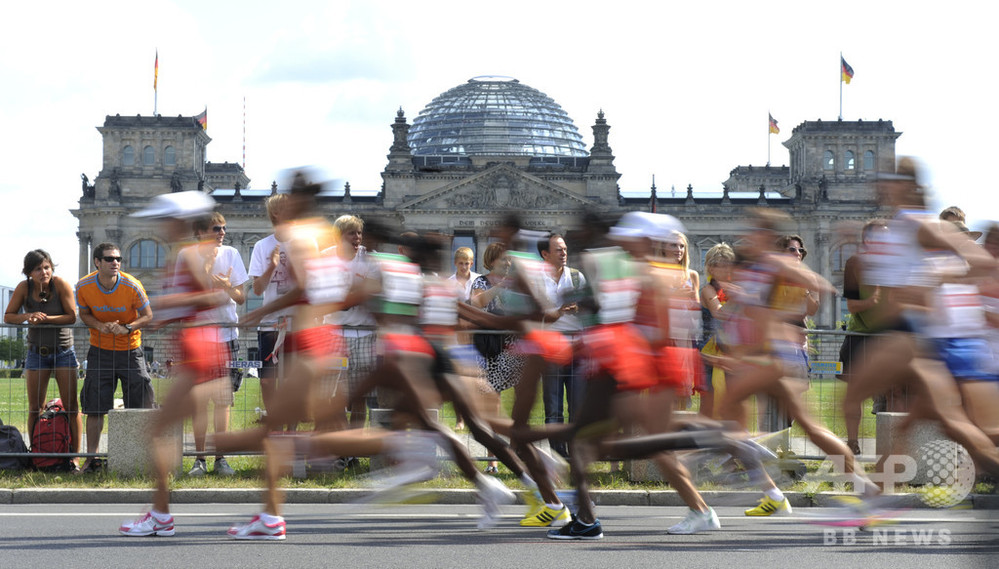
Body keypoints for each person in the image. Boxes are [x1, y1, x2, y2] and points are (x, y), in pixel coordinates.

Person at [119, 191, 232, 537]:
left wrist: (167, 307)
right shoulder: (185, 252)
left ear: (181, 221)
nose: (162, 226)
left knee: (159, 431)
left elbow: (208, 296)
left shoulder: (188, 253)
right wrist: (164, 317)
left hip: (199, 348)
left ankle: (161, 514)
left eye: (166, 219)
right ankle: (161, 512)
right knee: (162, 431)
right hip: (194, 347)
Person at [75, 242, 155, 473]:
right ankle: (91, 459)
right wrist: (99, 326)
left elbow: (148, 316)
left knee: (140, 404)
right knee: (95, 407)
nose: (115, 263)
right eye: (110, 259)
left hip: (131, 350)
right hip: (99, 351)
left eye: (118, 259)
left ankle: (137, 457)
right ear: (97, 262)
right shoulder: (83, 286)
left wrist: (128, 327)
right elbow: (84, 313)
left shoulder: (132, 285)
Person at [4, 249, 81, 470]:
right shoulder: (23, 288)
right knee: (34, 407)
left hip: (63, 352)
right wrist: (28, 316)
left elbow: (72, 316)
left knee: (72, 407)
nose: (44, 272)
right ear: (29, 272)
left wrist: (46, 319)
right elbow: (8, 316)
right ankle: (37, 455)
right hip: (37, 353)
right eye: (38, 269)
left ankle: (75, 457)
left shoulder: (61, 285)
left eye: (46, 267)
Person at [186, 212, 248, 476]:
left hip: (226, 336)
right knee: (199, 402)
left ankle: (220, 458)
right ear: (200, 232)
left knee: (223, 400)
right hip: (198, 338)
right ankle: (199, 460)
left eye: (223, 227)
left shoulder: (232, 253)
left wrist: (225, 287)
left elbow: (241, 298)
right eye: (216, 228)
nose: (222, 232)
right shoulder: (186, 256)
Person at [838, 219, 891, 455]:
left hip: (889, 339)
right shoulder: (855, 263)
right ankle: (852, 442)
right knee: (855, 394)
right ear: (867, 239)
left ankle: (889, 445)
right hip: (860, 338)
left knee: (892, 392)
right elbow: (851, 306)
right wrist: (872, 301)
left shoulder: (895, 265)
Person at [322, 214, 378, 434]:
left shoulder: (369, 259)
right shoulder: (324, 259)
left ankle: (353, 447)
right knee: (333, 393)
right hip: (334, 334)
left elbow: (367, 296)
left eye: (359, 233)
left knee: (359, 395)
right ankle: (342, 443)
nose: (357, 238)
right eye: (351, 233)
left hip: (364, 334)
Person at [247, 194, 295, 428]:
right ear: (276, 213)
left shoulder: (305, 244)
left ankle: (291, 431)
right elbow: (257, 289)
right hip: (270, 324)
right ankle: (275, 423)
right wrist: (272, 267)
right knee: (267, 381)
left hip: (297, 322)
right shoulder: (262, 245)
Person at [537, 233, 585, 457]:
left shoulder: (576, 277)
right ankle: (558, 454)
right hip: (551, 345)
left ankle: (575, 453)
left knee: (577, 404)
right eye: (558, 249)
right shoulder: (536, 280)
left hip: (576, 345)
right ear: (545, 254)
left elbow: (590, 311)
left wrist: (581, 309)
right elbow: (532, 316)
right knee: (553, 405)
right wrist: (555, 314)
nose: (563, 253)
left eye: (564, 249)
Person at [698, 242, 735, 419]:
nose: (727, 269)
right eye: (721, 264)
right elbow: (719, 313)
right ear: (711, 267)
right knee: (709, 401)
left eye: (729, 264)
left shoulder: (733, 290)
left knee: (731, 400)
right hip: (710, 351)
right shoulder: (707, 289)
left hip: (732, 350)